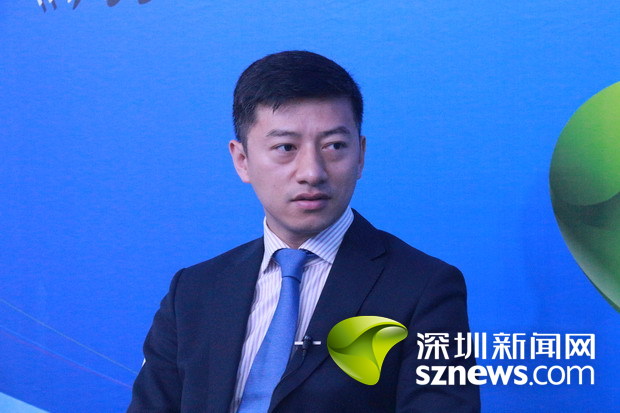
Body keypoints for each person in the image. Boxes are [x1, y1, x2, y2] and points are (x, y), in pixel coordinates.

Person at [128, 50, 480, 412]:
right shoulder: (193, 291)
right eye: (286, 147)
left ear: (360, 155)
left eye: (334, 146)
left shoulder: (424, 287)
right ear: (242, 160)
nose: (312, 172)